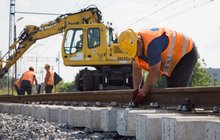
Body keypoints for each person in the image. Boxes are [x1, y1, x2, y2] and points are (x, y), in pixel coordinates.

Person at [118, 28, 198, 106]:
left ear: (139, 43)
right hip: (174, 60)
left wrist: (142, 94)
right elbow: (136, 68)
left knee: (175, 92)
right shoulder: (134, 44)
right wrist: (136, 90)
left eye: (135, 52)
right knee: (172, 92)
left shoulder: (152, 44)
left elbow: (154, 71)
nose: (135, 55)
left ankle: (186, 104)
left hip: (186, 53)